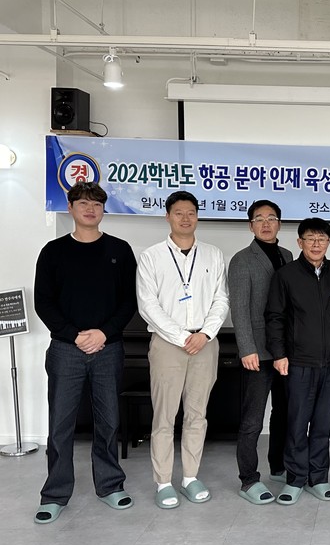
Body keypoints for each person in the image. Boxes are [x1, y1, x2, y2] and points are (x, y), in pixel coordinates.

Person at [33, 182, 137, 524]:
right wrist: (75, 336)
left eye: (96, 204)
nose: (90, 209)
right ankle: (54, 494)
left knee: (108, 421)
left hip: (108, 348)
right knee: (60, 425)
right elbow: (44, 302)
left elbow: (129, 301)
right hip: (66, 349)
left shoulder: (120, 250)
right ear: (70, 207)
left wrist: (103, 333)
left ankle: (110, 485)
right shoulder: (53, 251)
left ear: (104, 209)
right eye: (83, 203)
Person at [136, 191, 229, 510]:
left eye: (191, 212)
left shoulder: (213, 254)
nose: (185, 218)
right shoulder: (151, 256)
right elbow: (148, 305)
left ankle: (190, 477)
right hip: (167, 344)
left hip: (205, 343)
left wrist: (205, 334)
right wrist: (181, 336)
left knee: (197, 415)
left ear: (197, 216)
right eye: (178, 212)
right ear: (167, 216)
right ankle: (163, 482)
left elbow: (221, 299)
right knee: (164, 416)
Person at [266, 217, 330, 505]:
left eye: (321, 239)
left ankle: (319, 477)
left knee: (323, 423)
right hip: (297, 362)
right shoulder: (285, 275)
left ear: (328, 242)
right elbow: (275, 317)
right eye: (310, 238)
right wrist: (279, 354)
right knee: (297, 423)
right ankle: (296, 479)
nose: (316, 244)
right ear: (300, 242)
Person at [228, 200, 293, 504]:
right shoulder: (242, 259)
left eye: (271, 218)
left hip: (285, 351)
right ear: (250, 225)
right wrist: (246, 348)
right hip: (257, 352)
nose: (266, 224)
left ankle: (278, 466)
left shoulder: (288, 255)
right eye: (259, 219)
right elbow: (239, 309)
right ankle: (248, 479)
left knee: (283, 413)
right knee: (253, 419)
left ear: (279, 223)